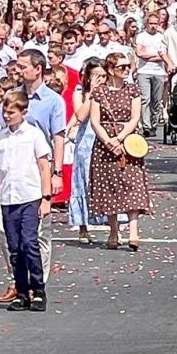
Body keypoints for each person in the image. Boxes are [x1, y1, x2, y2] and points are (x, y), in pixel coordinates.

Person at [0, 90, 52, 313]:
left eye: (11, 112)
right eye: (5, 111)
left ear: (23, 112)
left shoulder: (33, 135)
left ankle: (38, 289)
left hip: (30, 196)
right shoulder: (0, 138)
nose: (6, 116)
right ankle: (22, 291)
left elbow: (44, 167)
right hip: (8, 199)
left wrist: (46, 198)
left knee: (29, 243)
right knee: (15, 248)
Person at [87, 53, 152, 249]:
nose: (126, 70)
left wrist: (119, 138)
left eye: (127, 66)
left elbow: (135, 118)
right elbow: (95, 121)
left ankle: (133, 231)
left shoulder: (132, 90)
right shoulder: (99, 92)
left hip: (128, 142)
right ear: (110, 69)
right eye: (121, 67)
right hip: (105, 144)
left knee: (133, 185)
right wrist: (108, 142)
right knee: (109, 187)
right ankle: (113, 231)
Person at [68, 59, 107, 244]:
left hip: (105, 138)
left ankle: (113, 226)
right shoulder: (80, 92)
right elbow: (81, 115)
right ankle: (83, 227)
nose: (101, 79)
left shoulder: (111, 91)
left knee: (107, 180)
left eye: (103, 75)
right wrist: (92, 93)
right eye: (96, 76)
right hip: (86, 140)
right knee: (83, 181)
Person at [135, 12, 171, 130]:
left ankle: (154, 123)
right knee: (145, 99)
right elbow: (139, 53)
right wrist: (156, 56)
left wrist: (150, 56)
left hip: (159, 72)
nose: (153, 26)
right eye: (151, 23)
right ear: (147, 24)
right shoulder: (141, 36)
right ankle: (146, 125)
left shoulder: (162, 37)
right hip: (144, 71)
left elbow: (165, 55)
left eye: (155, 23)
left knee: (156, 100)